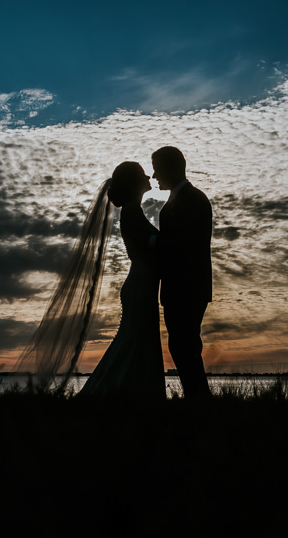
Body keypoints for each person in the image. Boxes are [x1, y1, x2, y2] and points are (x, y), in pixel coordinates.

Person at [79, 161, 165, 398]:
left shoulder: (133, 211)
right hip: (140, 285)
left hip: (142, 284)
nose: (149, 177)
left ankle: (132, 392)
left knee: (138, 338)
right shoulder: (132, 211)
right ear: (135, 183)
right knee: (134, 339)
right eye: (143, 175)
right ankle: (112, 392)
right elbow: (148, 251)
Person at [150, 146, 212, 398]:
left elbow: (184, 245)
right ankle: (197, 398)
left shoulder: (192, 199)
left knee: (183, 346)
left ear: (172, 167)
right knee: (184, 346)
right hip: (185, 287)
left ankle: (199, 399)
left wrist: (150, 241)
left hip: (186, 288)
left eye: (157, 169)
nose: (154, 176)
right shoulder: (185, 199)